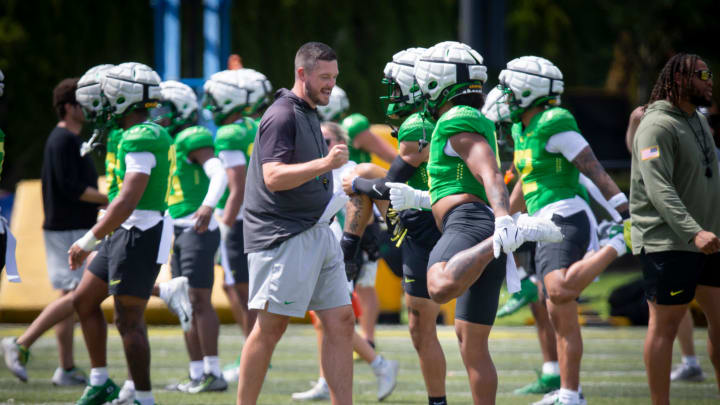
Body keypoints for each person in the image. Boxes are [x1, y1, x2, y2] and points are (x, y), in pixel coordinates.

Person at [384, 41, 562, 404]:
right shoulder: (466, 121)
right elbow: (460, 182)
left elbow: (489, 172)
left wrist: (504, 221)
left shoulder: (454, 120)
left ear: (437, 82)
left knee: (438, 285)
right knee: (472, 343)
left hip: (470, 226)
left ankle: (510, 236)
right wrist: (418, 199)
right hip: (479, 224)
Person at [236, 41, 354, 405]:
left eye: (333, 78)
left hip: (315, 232)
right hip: (282, 236)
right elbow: (273, 177)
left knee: (342, 322)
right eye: (324, 77)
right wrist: (325, 165)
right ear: (301, 73)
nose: (330, 85)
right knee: (270, 328)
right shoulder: (282, 114)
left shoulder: (308, 112)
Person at [340, 46, 451, 405]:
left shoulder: (418, 125)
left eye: (396, 85)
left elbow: (392, 183)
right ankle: (350, 253)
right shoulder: (424, 122)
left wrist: (356, 186)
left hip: (428, 229)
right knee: (421, 327)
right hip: (422, 224)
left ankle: (348, 254)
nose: (392, 94)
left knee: (427, 325)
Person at [67, 62, 172, 405]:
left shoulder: (144, 134)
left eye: (111, 99)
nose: (105, 105)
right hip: (122, 230)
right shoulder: (130, 133)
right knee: (84, 300)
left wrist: (88, 239)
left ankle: (143, 398)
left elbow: (127, 200)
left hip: (139, 232)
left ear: (127, 98)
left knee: (128, 319)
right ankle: (100, 381)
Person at [1, 76, 107, 386]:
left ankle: (67, 367)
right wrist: (114, 199)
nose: (89, 109)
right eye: (83, 103)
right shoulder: (62, 140)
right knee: (76, 297)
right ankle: (34, 350)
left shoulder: (73, 140)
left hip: (76, 227)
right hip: (67, 229)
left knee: (76, 297)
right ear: (68, 107)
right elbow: (71, 188)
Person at [630, 53, 720, 405]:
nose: (710, 80)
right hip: (669, 241)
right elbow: (658, 187)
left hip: (709, 239)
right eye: (703, 74)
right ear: (680, 80)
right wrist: (692, 230)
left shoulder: (696, 120)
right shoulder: (656, 125)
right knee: (664, 327)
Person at [291, 121, 398, 402]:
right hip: (323, 250)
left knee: (332, 317)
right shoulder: (317, 170)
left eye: (326, 141)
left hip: (345, 251)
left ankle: (378, 364)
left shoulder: (349, 171)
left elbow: (372, 204)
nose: (321, 146)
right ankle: (329, 378)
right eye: (318, 140)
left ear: (340, 144)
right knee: (323, 319)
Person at [155, 80, 229, 393]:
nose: (159, 114)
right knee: (183, 301)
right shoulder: (168, 139)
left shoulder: (192, 136)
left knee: (199, 300)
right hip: (178, 228)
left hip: (198, 228)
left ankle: (213, 372)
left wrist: (209, 206)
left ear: (182, 109)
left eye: (165, 107)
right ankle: (197, 373)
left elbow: (219, 172)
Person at [625, 104, 706, 383]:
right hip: (675, 236)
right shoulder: (659, 124)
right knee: (667, 314)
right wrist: (635, 124)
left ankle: (691, 361)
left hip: (703, 230)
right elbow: (646, 164)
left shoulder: (700, 124)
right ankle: (690, 361)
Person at [202, 67, 272, 382]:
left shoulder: (230, 133)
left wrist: (224, 226)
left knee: (238, 290)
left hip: (241, 219)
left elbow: (236, 188)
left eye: (215, 101)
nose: (210, 107)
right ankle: (257, 353)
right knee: (246, 290)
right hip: (263, 216)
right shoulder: (258, 125)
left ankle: (254, 356)